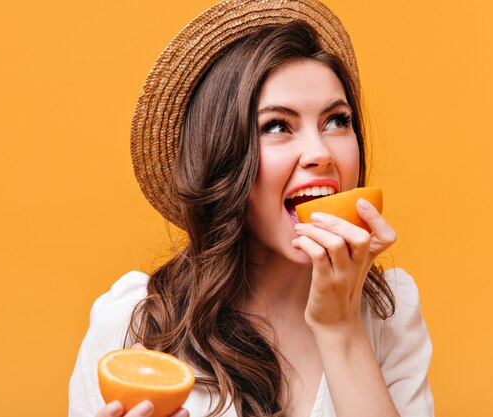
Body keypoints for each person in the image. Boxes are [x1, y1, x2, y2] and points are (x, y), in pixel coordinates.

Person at [69, 1, 434, 416]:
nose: (320, 153)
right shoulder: (133, 322)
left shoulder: (390, 312)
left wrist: (341, 326)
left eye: (337, 120)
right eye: (277, 126)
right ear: (224, 158)